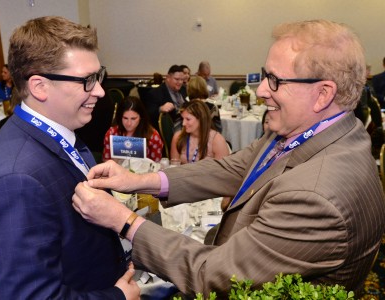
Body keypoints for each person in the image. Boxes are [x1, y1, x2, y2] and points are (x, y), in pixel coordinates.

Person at [72, 20, 385, 298]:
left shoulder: (316, 196)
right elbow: (237, 166)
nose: (261, 90)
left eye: (275, 80)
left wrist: (123, 221)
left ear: (323, 93)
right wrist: (140, 181)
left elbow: (213, 275)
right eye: (265, 76)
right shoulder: (323, 129)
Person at [0, 16, 140, 299]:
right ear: (39, 86)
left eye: (99, 75)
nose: (100, 90)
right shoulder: (18, 177)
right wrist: (118, 297)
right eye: (87, 80)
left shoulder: (55, 129)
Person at [103, 96, 163, 162]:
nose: (129, 123)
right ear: (120, 117)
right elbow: (106, 161)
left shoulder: (153, 135)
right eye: (125, 118)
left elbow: (157, 165)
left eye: (133, 119)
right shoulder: (112, 133)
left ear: (141, 117)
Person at [170, 100, 229, 164]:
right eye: (182, 119)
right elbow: (174, 166)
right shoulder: (178, 137)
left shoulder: (217, 140)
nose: (183, 123)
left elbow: (223, 172)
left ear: (201, 119)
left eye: (188, 119)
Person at [146, 64, 187, 132]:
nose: (180, 82)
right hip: (170, 130)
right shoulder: (155, 93)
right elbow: (148, 115)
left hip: (185, 124)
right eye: (176, 79)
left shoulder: (183, 89)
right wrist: (160, 109)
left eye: (182, 80)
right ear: (168, 78)